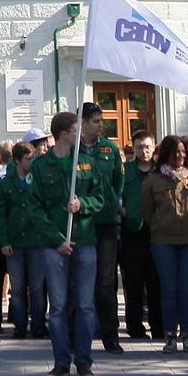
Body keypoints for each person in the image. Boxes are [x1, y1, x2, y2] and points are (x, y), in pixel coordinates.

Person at [33, 111, 103, 376]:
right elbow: (36, 209)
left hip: (85, 241)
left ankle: (84, 362)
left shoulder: (86, 162)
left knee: (85, 305)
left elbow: (101, 197)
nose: (81, 134)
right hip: (54, 245)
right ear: (64, 134)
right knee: (58, 306)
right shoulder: (41, 167)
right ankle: (61, 361)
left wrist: (82, 204)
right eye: (76, 130)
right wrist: (57, 239)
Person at [142, 134, 188, 353]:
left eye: (183, 152)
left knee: (186, 289)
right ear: (166, 154)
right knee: (169, 288)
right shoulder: (153, 180)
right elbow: (147, 211)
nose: (180, 156)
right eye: (176, 152)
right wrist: (160, 226)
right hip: (163, 242)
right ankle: (170, 335)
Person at [79, 102, 124, 354]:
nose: (101, 125)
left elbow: (119, 180)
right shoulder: (72, 151)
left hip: (105, 223)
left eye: (101, 120)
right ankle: (79, 336)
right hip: (80, 223)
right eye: (95, 121)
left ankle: (111, 336)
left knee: (106, 283)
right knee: (79, 281)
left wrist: (113, 202)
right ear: (83, 123)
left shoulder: (110, 148)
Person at [0, 141, 47, 340]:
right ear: (17, 160)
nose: (31, 162)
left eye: (32, 158)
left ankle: (39, 325)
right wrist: (4, 241)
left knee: (37, 287)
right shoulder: (6, 183)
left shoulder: (38, 180)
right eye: (27, 159)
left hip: (36, 240)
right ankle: (20, 325)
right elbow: (0, 215)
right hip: (15, 242)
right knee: (17, 288)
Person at [119, 130, 163, 340]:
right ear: (133, 149)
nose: (143, 151)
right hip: (132, 232)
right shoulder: (125, 171)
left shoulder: (162, 172)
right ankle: (135, 327)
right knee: (133, 283)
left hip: (157, 233)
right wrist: (122, 210)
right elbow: (114, 194)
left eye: (147, 146)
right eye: (139, 147)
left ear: (154, 147)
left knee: (156, 283)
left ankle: (159, 327)